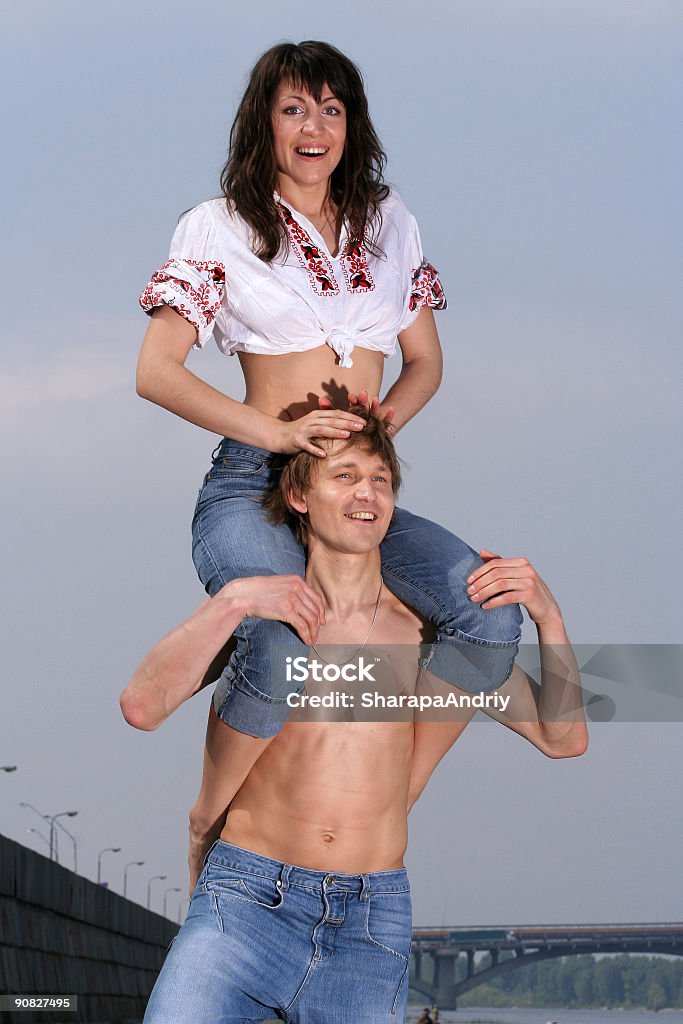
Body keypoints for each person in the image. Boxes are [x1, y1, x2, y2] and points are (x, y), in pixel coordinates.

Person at [130, 41, 522, 762]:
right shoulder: (217, 225)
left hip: (352, 488)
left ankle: (395, 793)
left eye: (330, 110)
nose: (313, 128)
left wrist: (378, 430)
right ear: (263, 124)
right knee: (281, 645)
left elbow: (425, 361)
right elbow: (156, 372)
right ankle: (212, 820)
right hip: (257, 481)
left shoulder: (388, 220)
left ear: (352, 125)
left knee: (488, 616)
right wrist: (276, 436)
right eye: (293, 110)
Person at [126, 415, 588, 1024]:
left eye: (380, 480)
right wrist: (232, 600)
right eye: (344, 476)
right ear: (298, 497)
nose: (366, 493)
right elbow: (143, 704)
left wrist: (549, 619)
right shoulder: (269, 623)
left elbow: (564, 737)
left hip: (370, 921)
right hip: (246, 901)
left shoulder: (424, 636)